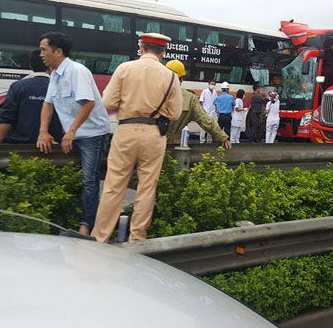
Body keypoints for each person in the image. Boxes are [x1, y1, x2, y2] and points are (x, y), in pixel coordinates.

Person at [91, 33, 182, 243]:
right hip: (154, 135)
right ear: (163, 53)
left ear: (141, 48)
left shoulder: (124, 68)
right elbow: (175, 113)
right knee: (147, 186)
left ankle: (100, 236)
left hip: (126, 130)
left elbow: (108, 103)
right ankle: (137, 238)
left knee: (114, 185)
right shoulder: (170, 76)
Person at [36, 32, 110, 236]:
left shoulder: (77, 71)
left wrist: (71, 131)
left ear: (57, 51)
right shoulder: (55, 74)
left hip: (93, 133)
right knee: (67, 175)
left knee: (89, 180)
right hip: (73, 134)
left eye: (44, 49)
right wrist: (43, 131)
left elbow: (88, 103)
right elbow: (47, 104)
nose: (40, 54)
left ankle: (86, 227)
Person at [0, 50, 64, 144]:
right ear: (50, 67)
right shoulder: (60, 88)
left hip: (20, 145)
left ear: (31, 65)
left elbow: (6, 117)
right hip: (52, 144)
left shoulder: (17, 86)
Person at [164, 60, 231, 148]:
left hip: (153, 143)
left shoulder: (151, 92)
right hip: (176, 145)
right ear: (182, 78)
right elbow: (205, 120)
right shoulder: (189, 98)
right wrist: (223, 137)